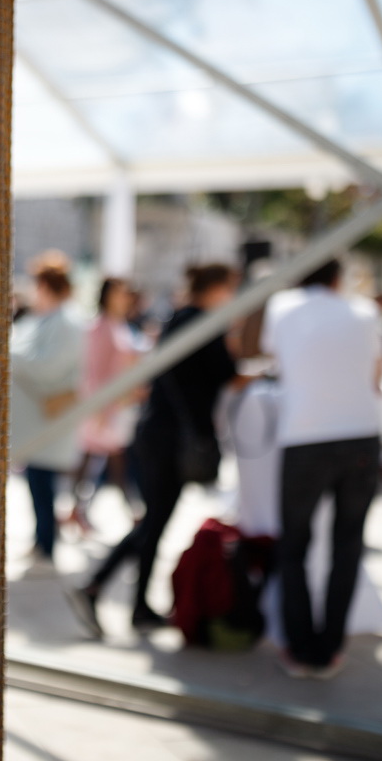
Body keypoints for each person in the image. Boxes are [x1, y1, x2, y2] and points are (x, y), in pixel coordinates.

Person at [68, 263, 240, 637]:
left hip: (158, 433)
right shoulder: (199, 321)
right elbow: (226, 372)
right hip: (169, 437)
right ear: (217, 287)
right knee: (155, 520)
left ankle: (134, 604)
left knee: (155, 520)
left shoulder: (180, 317)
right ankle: (98, 587)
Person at [262, 259, 382, 680]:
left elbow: (274, 358)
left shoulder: (282, 306)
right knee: (347, 544)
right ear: (337, 276)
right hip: (361, 432)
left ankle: (301, 648)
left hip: (305, 435)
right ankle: (330, 647)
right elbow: (377, 373)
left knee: (293, 544)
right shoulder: (365, 312)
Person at [10, 251, 84, 569]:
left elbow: (49, 367)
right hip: (38, 421)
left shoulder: (65, 321)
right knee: (38, 486)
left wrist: (11, 359)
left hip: (47, 421)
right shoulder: (49, 319)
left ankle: (47, 545)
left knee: (44, 487)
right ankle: (42, 542)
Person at [68, 278, 143, 533]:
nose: (123, 298)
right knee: (109, 459)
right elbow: (94, 370)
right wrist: (98, 407)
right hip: (103, 407)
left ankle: (79, 510)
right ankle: (130, 511)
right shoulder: (100, 327)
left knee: (101, 460)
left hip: (114, 406)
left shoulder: (119, 325)